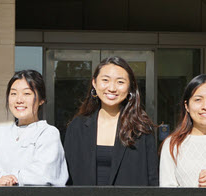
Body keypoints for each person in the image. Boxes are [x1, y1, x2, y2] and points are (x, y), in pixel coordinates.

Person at [63, 56, 158, 186]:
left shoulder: (141, 129)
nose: (112, 88)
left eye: (120, 82)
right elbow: (67, 179)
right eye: (105, 80)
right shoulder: (77, 127)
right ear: (94, 83)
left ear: (130, 87)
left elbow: (152, 179)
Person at [0, 70, 67, 186]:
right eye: (13, 93)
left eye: (27, 94)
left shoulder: (47, 134)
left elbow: (44, 176)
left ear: (41, 100)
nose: (19, 100)